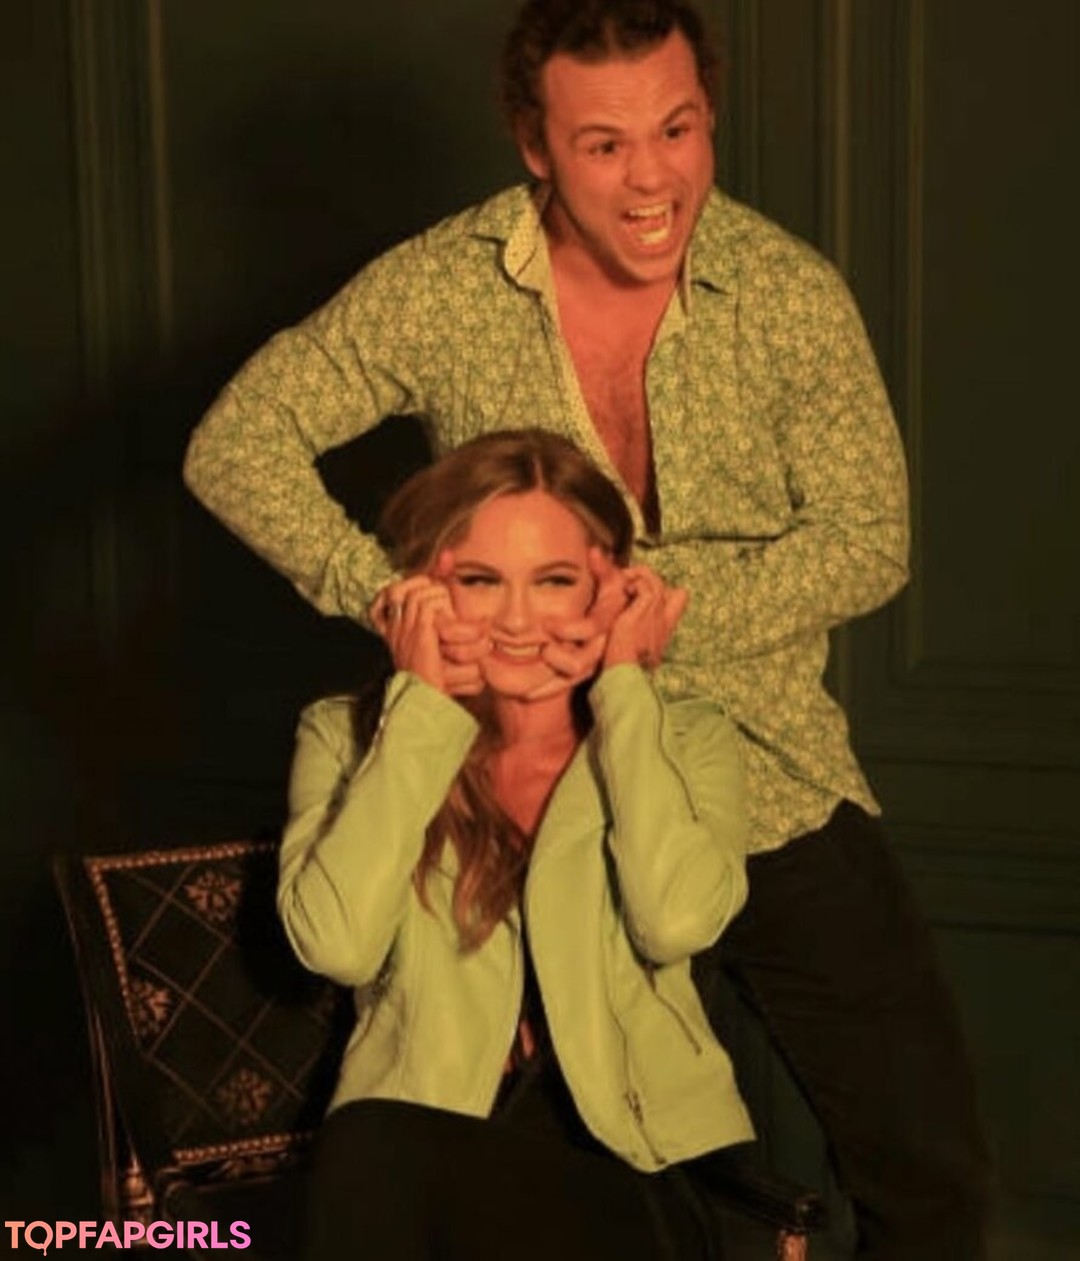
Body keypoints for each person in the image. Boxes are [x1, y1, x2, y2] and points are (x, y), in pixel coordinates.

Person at [185, 1, 990, 1255]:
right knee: (547, 1191)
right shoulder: (441, 287)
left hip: (760, 760)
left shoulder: (787, 294)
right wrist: (387, 592)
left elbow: (870, 538)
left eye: (678, 128)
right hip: (533, 795)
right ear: (534, 144)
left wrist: (651, 616)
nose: (652, 178)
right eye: (604, 143)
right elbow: (236, 443)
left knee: (929, 1169)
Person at [278, 428, 752, 1260]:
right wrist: (422, 712)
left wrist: (625, 691)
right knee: (372, 1148)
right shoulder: (345, 737)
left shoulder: (689, 739)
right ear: (423, 587)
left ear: (612, 586)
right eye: (480, 580)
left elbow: (675, 921)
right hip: (421, 1154)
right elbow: (338, 945)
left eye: (555, 580)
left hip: (634, 1163)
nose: (519, 619)